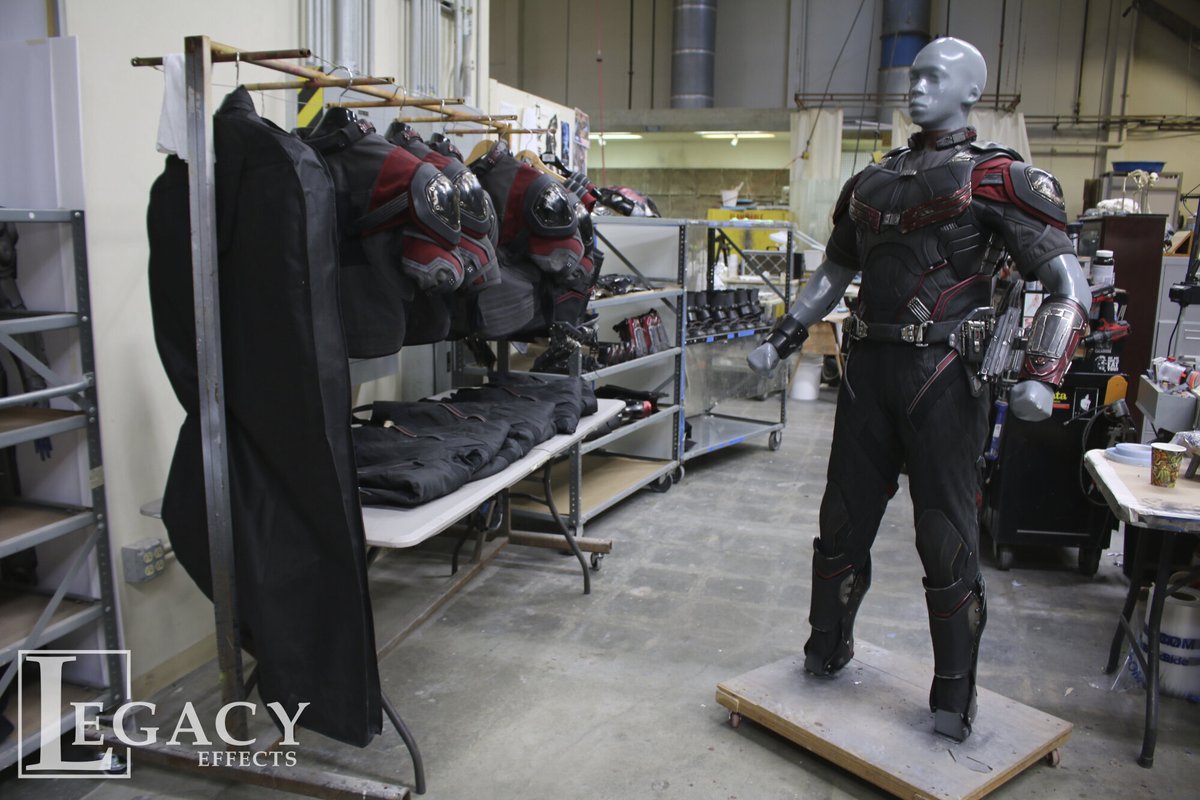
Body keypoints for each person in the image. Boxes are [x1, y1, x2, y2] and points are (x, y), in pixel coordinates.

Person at [747, 37, 1090, 741]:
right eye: (915, 76)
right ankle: (825, 648)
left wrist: (1043, 373)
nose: (918, 88)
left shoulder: (999, 178)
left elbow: (1067, 285)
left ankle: (954, 694)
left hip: (945, 377)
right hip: (867, 371)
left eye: (936, 77)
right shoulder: (870, 182)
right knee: (840, 525)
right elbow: (834, 271)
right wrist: (785, 335)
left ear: (972, 92)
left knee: (946, 538)